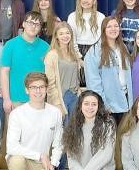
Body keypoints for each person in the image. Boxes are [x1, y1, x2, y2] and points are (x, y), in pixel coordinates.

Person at [6, 72, 63, 170]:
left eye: (42, 87)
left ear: (46, 89)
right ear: (27, 90)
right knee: (17, 161)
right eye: (33, 87)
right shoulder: (17, 114)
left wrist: (53, 164)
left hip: (42, 162)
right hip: (22, 159)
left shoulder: (55, 113)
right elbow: (12, 147)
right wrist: (39, 155)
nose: (38, 91)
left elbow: (59, 144)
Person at [44, 22, 80, 170]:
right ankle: (59, 166)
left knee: (73, 136)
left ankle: (70, 166)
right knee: (62, 137)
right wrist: (57, 104)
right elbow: (50, 83)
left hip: (74, 97)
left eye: (67, 33)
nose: (65, 36)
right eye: (61, 33)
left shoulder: (73, 53)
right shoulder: (52, 55)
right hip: (62, 98)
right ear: (56, 37)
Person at [84, 16, 133, 124]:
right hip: (109, 107)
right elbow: (93, 83)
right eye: (109, 26)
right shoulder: (94, 52)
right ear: (103, 30)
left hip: (125, 103)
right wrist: (103, 105)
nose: (113, 29)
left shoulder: (123, 48)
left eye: (116, 26)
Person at [0, 11, 50, 114]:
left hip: (38, 100)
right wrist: (6, 99)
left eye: (37, 24)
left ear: (40, 27)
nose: (33, 26)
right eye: (30, 22)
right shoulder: (10, 45)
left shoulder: (46, 47)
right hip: (16, 100)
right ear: (23, 24)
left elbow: (49, 74)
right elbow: (4, 72)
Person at [63, 90, 116, 170]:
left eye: (94, 104)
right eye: (86, 104)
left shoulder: (108, 125)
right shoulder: (73, 126)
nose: (90, 107)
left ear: (99, 107)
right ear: (80, 106)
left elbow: (106, 154)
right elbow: (71, 156)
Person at [67, 0, 105, 86]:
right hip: (77, 50)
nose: (86, 1)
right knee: (78, 82)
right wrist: (78, 57)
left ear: (94, 1)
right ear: (79, 0)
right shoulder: (72, 16)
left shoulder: (101, 17)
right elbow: (71, 38)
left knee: (94, 82)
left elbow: (102, 38)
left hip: (94, 51)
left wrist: (95, 56)